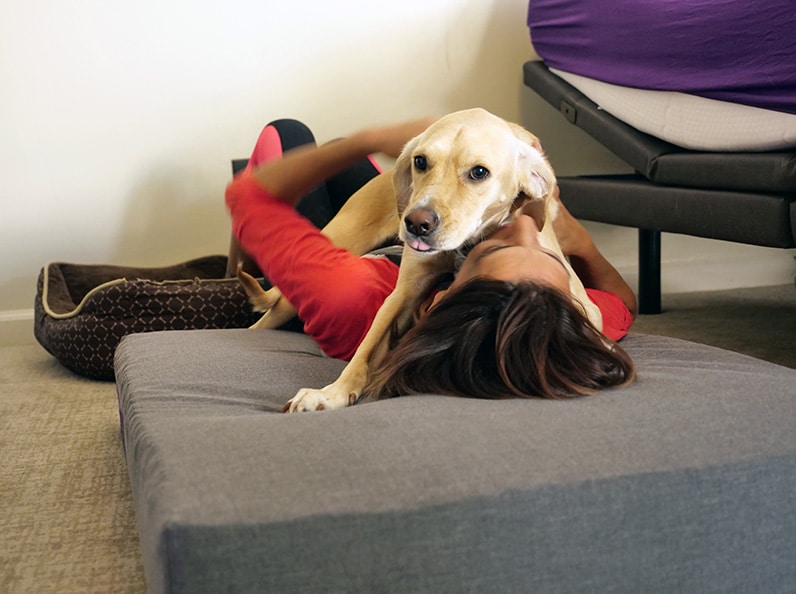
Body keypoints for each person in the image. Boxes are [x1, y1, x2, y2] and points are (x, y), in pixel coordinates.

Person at [225, 117, 637, 402]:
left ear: (441, 296)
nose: (527, 226)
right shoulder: (551, 316)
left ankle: (237, 275)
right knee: (373, 166)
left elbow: (247, 199)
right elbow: (623, 303)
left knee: (291, 133)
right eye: (549, 255)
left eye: (494, 245)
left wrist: (369, 140)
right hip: (418, 218)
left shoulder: (347, 299)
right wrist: (574, 239)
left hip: (344, 273)